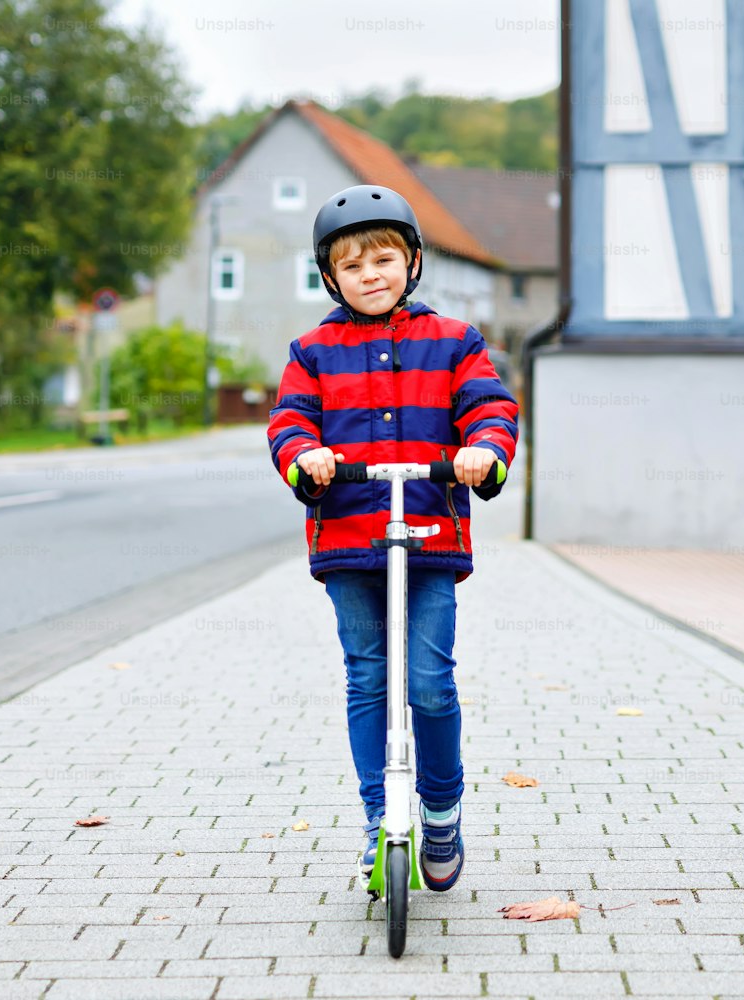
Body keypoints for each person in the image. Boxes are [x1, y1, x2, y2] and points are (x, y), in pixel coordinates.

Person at [267, 184, 518, 891]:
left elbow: (490, 406)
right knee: (370, 677)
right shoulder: (313, 351)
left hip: (431, 536)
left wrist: (484, 451)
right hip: (348, 537)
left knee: (431, 683)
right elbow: (288, 422)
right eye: (352, 266)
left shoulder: (453, 342)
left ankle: (440, 810)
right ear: (330, 278)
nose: (369, 275)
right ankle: (381, 817)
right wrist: (304, 457)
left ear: (411, 264)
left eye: (383, 259)